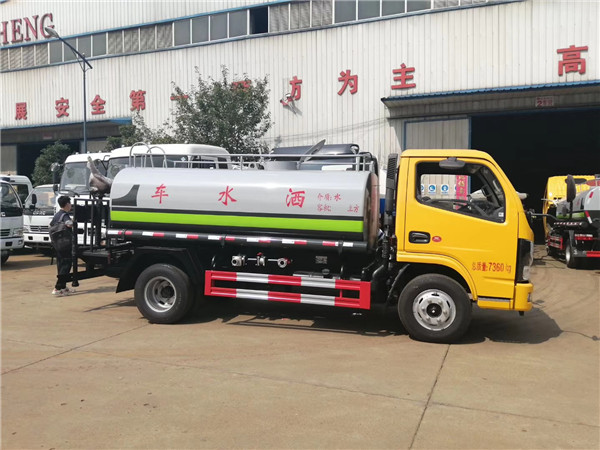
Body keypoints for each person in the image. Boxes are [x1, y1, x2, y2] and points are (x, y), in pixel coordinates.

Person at [50, 196, 75, 296]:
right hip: (65, 244)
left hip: (57, 244)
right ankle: (57, 288)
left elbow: (51, 224)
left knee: (61, 265)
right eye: (70, 203)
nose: (71, 205)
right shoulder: (65, 215)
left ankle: (63, 287)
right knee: (66, 265)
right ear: (67, 204)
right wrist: (73, 221)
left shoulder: (57, 215)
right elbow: (69, 224)